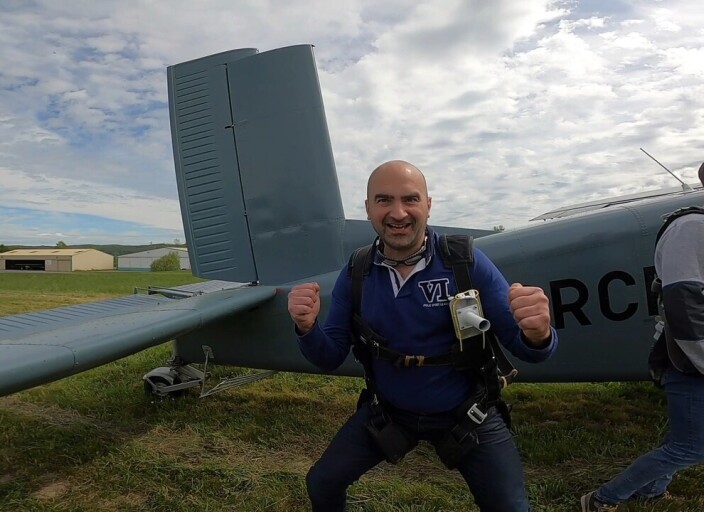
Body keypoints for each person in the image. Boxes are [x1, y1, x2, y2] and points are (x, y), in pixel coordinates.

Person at [288, 160, 558, 511]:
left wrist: (539, 334)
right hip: (390, 411)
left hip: (467, 412)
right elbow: (329, 356)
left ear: (428, 205)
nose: (398, 212)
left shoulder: (465, 262)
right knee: (321, 483)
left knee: (511, 508)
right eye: (384, 200)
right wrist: (307, 328)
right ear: (368, 208)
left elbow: (532, 352)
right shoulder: (357, 271)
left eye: (410, 199)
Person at [580, 162, 704, 512]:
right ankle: (602, 499)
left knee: (688, 436)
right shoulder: (693, 226)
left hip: (691, 355)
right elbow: (684, 304)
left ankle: (652, 490)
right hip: (686, 357)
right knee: (691, 446)